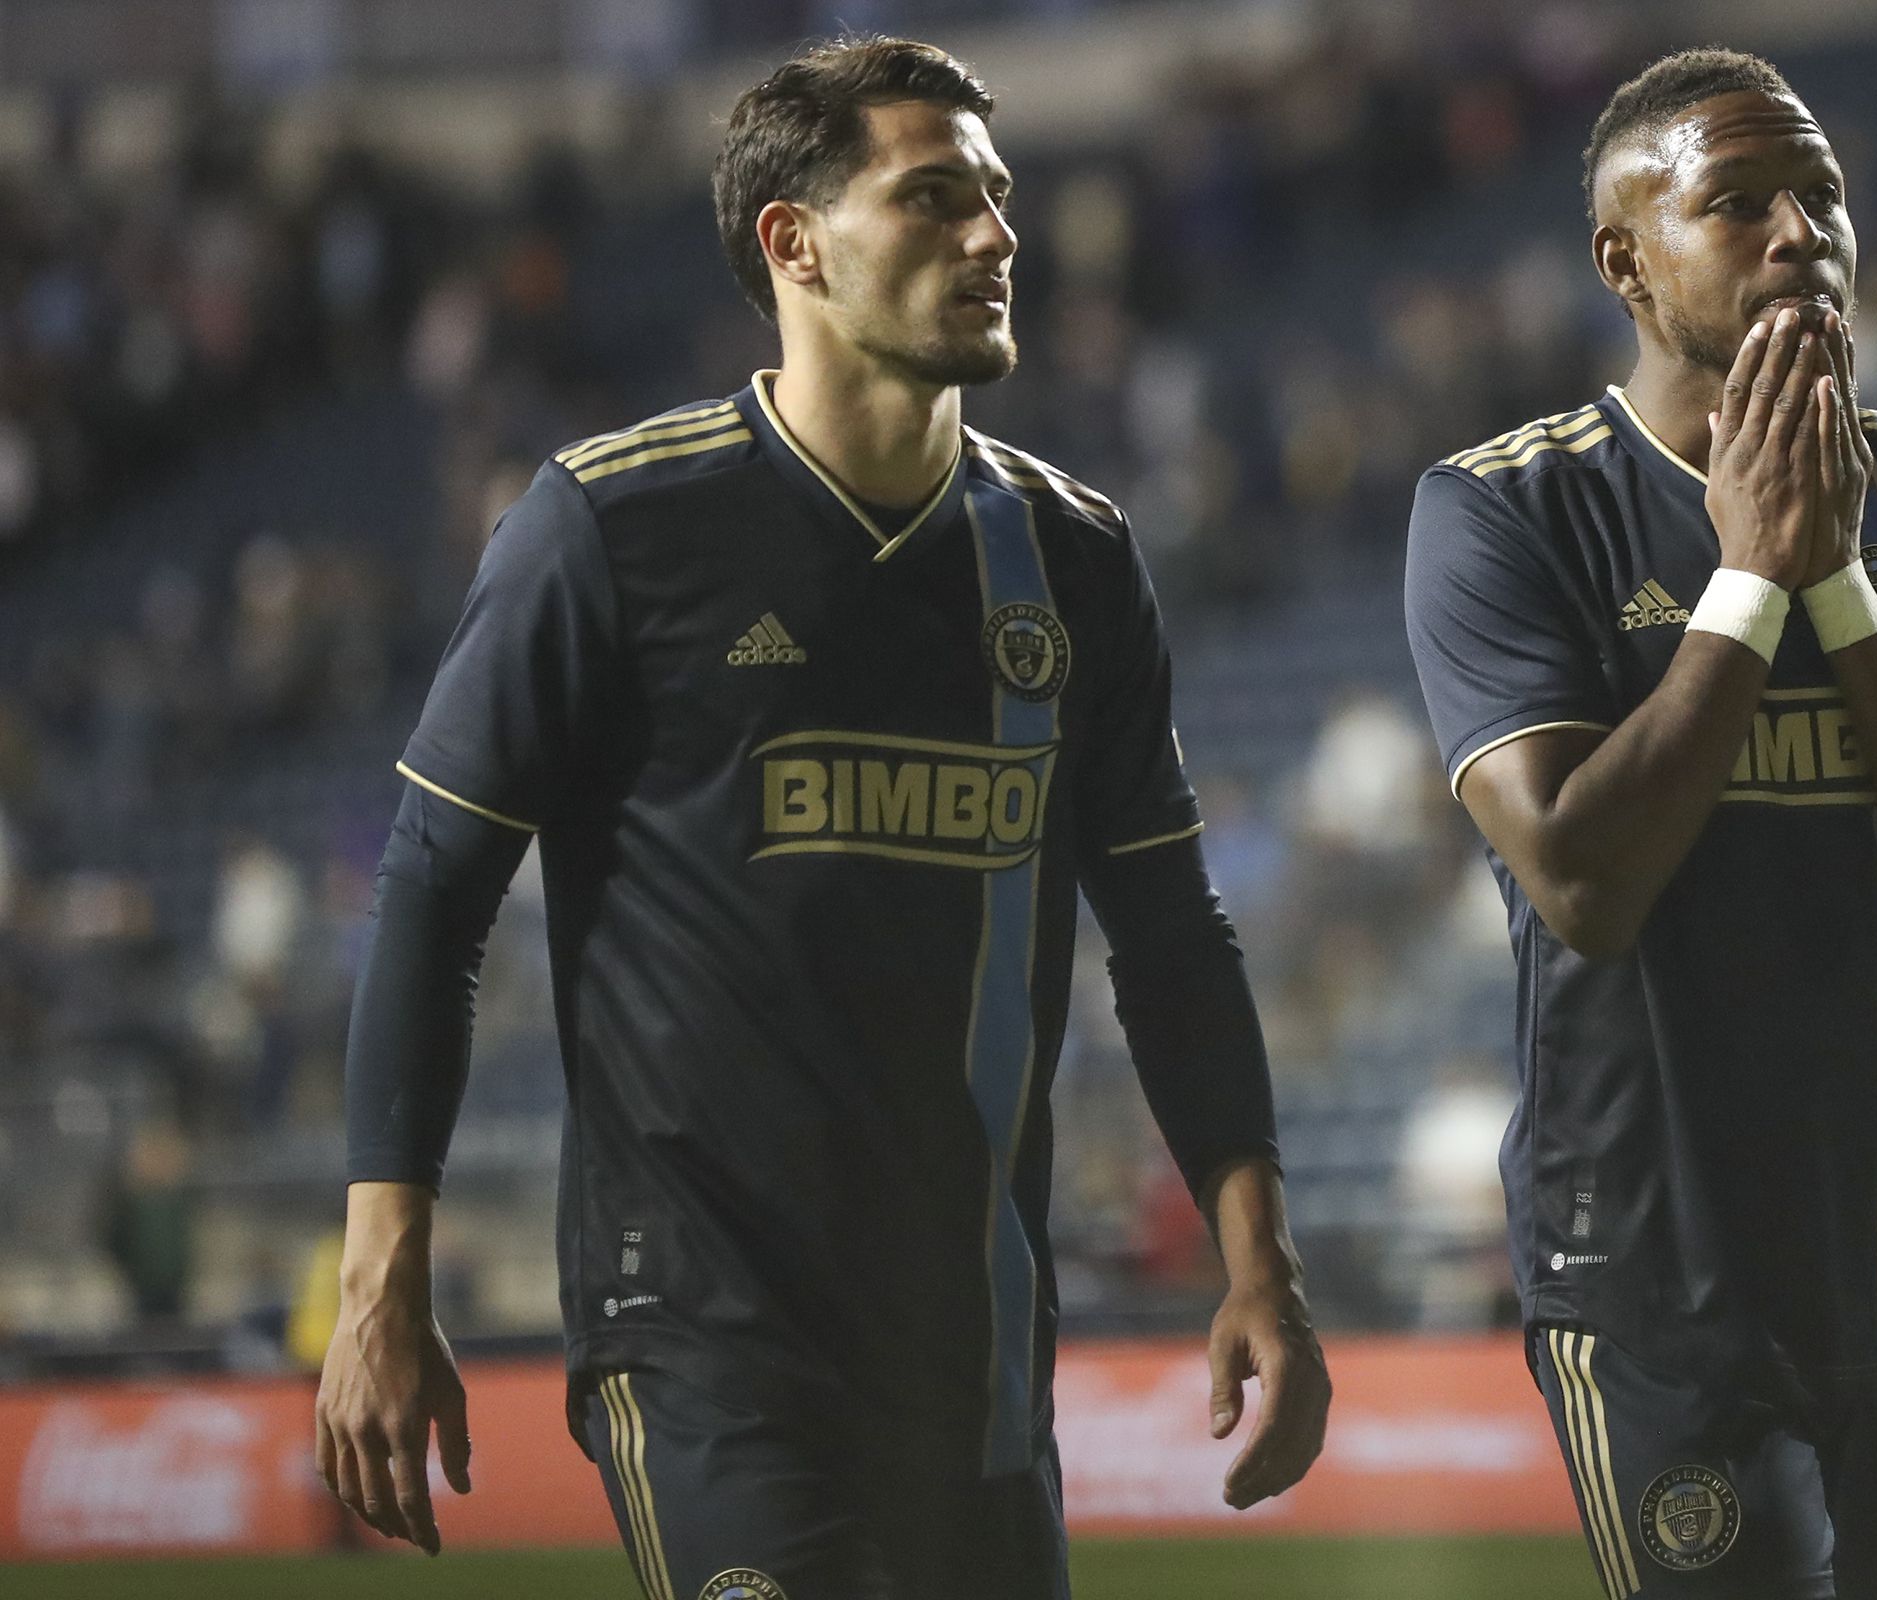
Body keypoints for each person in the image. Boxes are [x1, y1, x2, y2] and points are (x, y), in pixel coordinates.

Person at [315, 36, 1329, 1600]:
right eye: (934, 198)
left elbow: (1173, 936)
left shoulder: (1071, 557)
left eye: (998, 197)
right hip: (707, 1348)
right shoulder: (610, 526)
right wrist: (380, 1281)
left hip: (980, 1361)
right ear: (793, 242)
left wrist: (1261, 1261)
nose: (995, 235)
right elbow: (434, 891)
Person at [1403, 48, 1877, 1600]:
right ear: (1624, 262)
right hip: (1652, 1285)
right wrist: (1754, 580)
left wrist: (1834, 586)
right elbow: (1581, 877)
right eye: (1739, 202)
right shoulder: (1505, 510)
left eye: (1822, 195)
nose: (1801, 232)